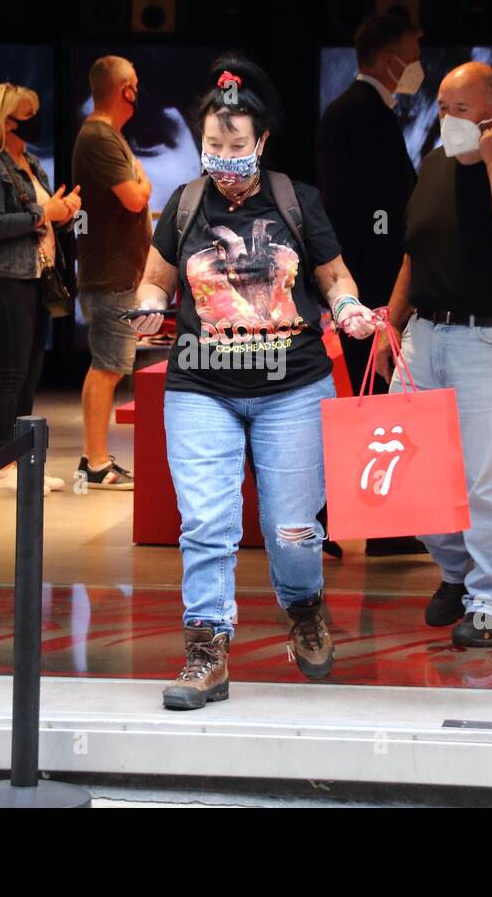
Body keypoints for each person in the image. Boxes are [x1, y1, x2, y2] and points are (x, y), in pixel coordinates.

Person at [129, 57, 379, 710]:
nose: (225, 158)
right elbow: (155, 276)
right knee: (207, 523)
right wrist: (149, 303)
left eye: (237, 146)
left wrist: (349, 307)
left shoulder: (297, 200)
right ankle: (206, 651)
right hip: (200, 388)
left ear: (260, 143)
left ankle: (303, 606)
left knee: (293, 529)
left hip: (293, 388)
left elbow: (334, 276)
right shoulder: (185, 205)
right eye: (214, 145)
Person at [376, 62, 492, 647]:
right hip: (424, 336)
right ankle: (457, 572)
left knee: (488, 481)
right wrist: (391, 322)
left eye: (459, 110)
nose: (446, 119)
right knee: (408, 475)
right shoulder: (432, 166)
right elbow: (413, 254)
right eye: (443, 107)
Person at [317, 10, 424, 559]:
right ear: (391, 59)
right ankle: (354, 518)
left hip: (367, 281)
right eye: (414, 49)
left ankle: (362, 519)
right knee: (374, 399)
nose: (418, 63)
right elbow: (374, 211)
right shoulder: (362, 114)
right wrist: (383, 299)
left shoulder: (356, 111)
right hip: (372, 283)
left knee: (374, 398)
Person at [0, 82, 79, 497]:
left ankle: (21, 459)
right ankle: (1, 465)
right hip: (3, 279)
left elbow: (45, 216)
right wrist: (42, 213)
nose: (36, 120)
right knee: (10, 373)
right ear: (6, 119)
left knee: (30, 374)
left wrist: (64, 212)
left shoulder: (30, 162)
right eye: (28, 114)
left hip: (36, 276)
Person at [71, 56, 151, 490]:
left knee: (110, 365)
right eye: (135, 84)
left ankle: (95, 458)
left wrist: (141, 183)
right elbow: (136, 196)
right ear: (125, 88)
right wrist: (143, 184)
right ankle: (96, 462)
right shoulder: (99, 137)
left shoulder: (108, 135)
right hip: (110, 273)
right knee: (107, 366)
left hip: (117, 272)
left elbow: (138, 188)